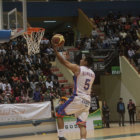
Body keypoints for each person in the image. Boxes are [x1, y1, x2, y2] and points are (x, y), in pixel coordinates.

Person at [52, 41, 95, 140]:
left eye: (83, 59)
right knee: (82, 124)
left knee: (58, 112)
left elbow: (63, 62)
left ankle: (61, 136)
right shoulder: (93, 73)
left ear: (86, 62)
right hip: (87, 101)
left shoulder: (78, 68)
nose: (81, 59)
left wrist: (55, 50)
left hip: (78, 98)